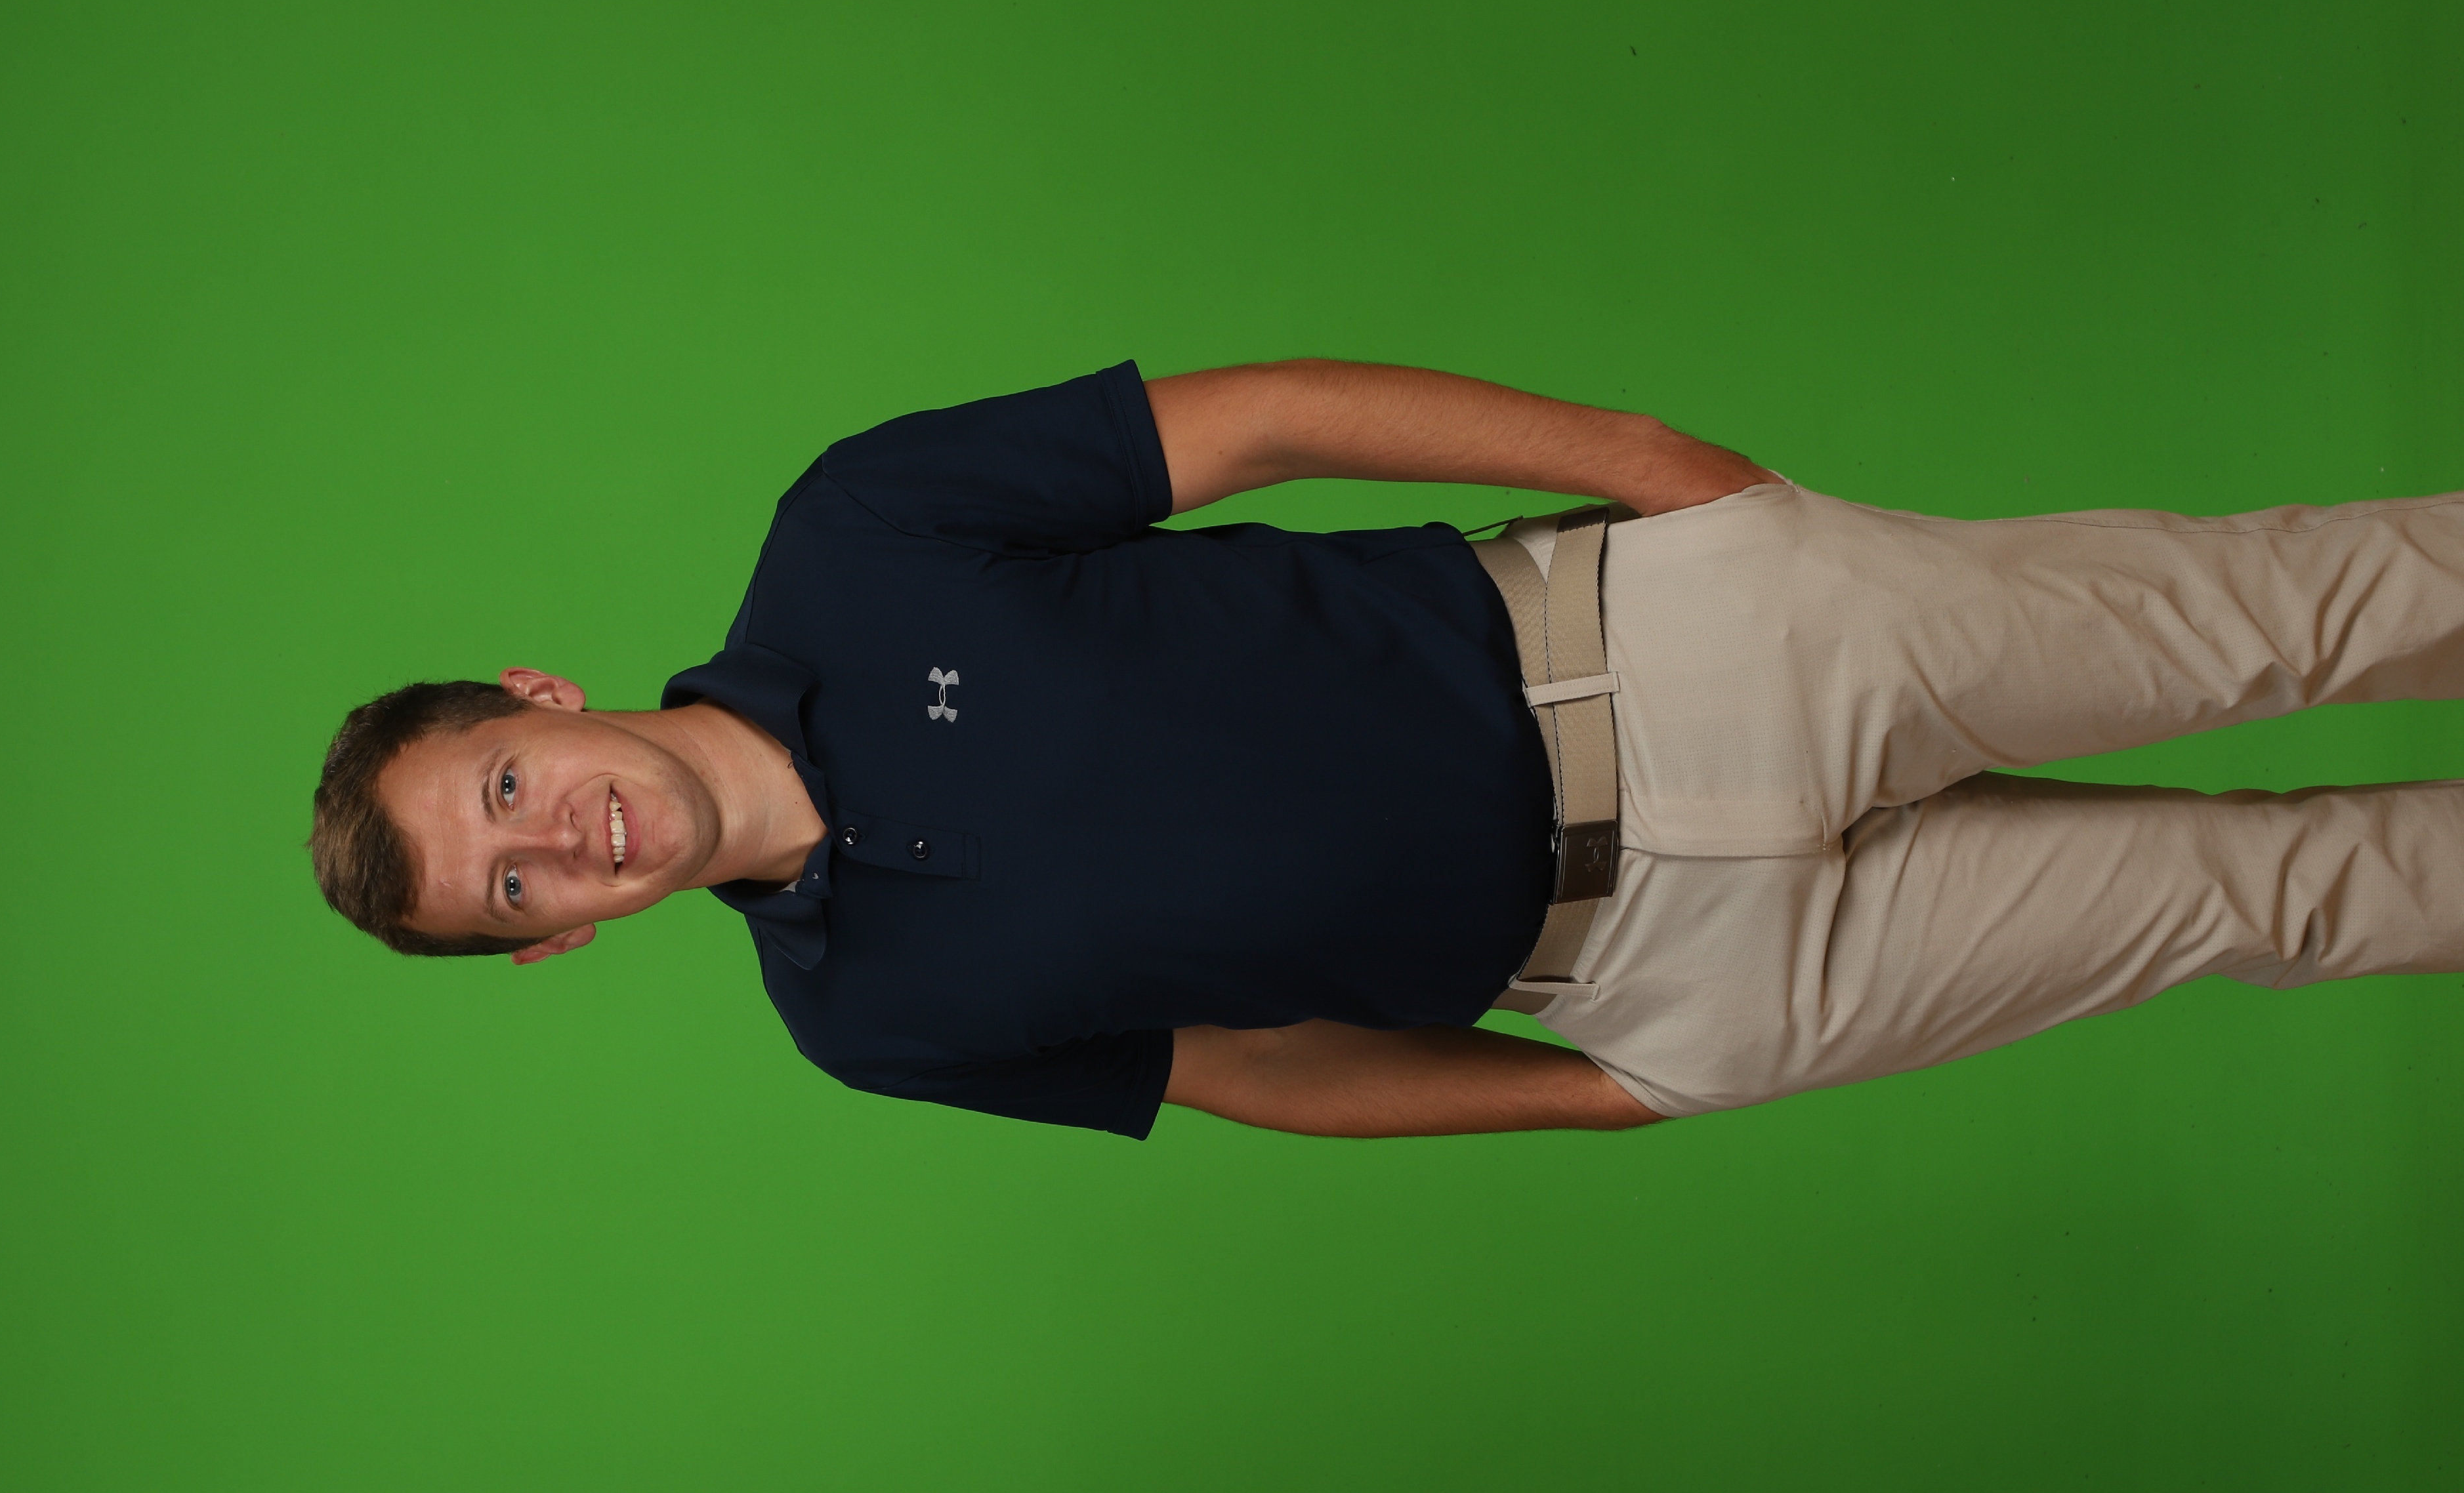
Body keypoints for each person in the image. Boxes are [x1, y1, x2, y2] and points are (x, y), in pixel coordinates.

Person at [307, 361, 2464, 1140]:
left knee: (2275, 613)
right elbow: (1254, 1073)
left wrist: (1657, 469)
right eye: (518, 886)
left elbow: (1261, 425)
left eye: (504, 793)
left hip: (1672, 657)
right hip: (1673, 974)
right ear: (555, 945)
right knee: (2272, 902)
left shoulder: (854, 533)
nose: (561, 838)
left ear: (534, 700)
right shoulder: (865, 1022)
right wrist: (1607, 1089)